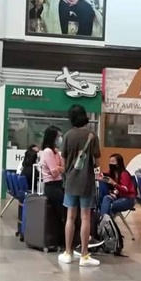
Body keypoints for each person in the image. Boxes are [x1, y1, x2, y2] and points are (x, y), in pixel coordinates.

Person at [58, 104, 101, 267]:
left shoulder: (68, 136)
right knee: (85, 218)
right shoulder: (92, 136)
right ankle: (84, 255)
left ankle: (68, 252)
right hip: (86, 182)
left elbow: (63, 161)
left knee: (70, 217)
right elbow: (97, 162)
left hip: (70, 182)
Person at [39, 127, 65, 244]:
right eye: (58, 136)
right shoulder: (47, 152)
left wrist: (58, 168)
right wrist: (59, 168)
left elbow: (64, 168)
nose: (60, 138)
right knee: (65, 210)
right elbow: (54, 172)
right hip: (51, 186)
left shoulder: (56, 152)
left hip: (59, 184)